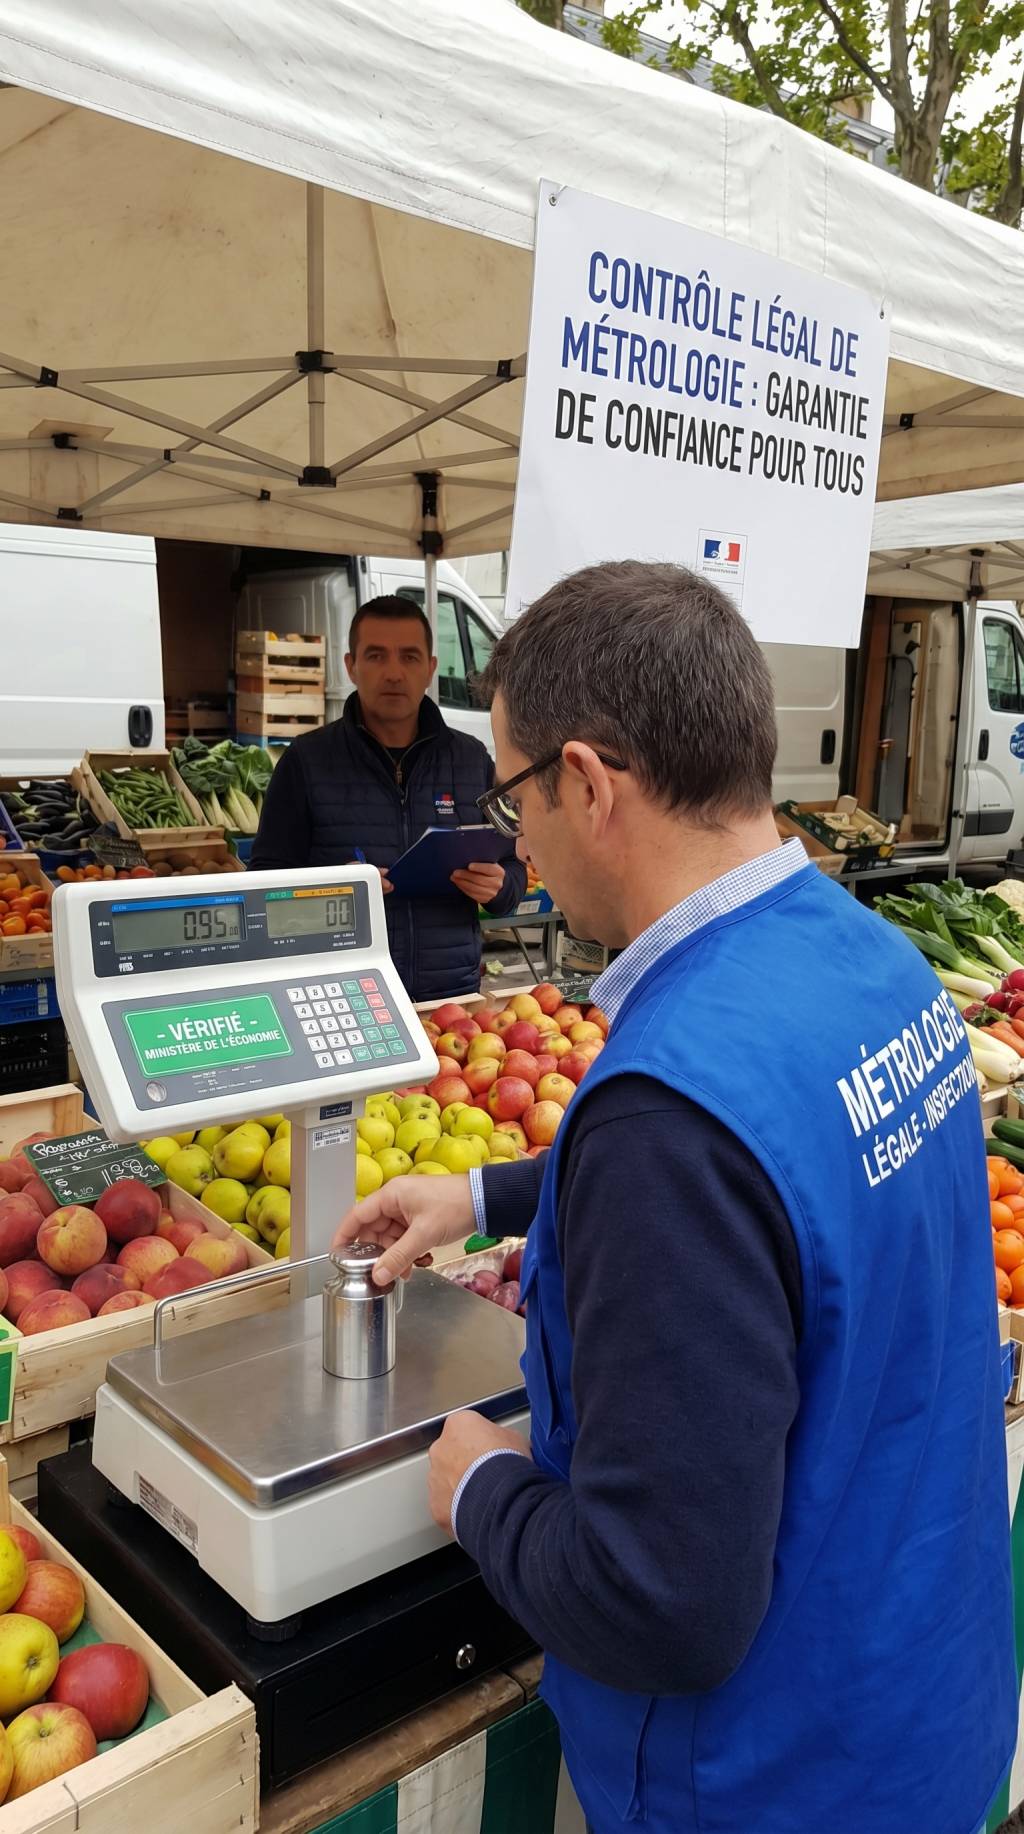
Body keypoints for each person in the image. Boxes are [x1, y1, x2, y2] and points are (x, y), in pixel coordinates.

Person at [335, 561, 1016, 1834]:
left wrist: (480, 1488)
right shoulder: (868, 957)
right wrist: (489, 1188)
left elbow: (663, 1601)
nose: (514, 843)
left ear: (588, 783)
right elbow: (781, 1170)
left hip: (768, 1779)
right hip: (922, 1699)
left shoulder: (669, 1117)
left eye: (512, 794)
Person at [250, 595, 525, 1002]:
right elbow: (265, 889)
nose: (394, 673)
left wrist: (501, 887)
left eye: (410, 657)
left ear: (431, 668)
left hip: (450, 1000)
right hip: (341, 997)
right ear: (351, 666)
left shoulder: (471, 760)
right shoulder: (306, 762)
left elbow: (515, 865)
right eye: (376, 656)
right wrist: (335, 893)